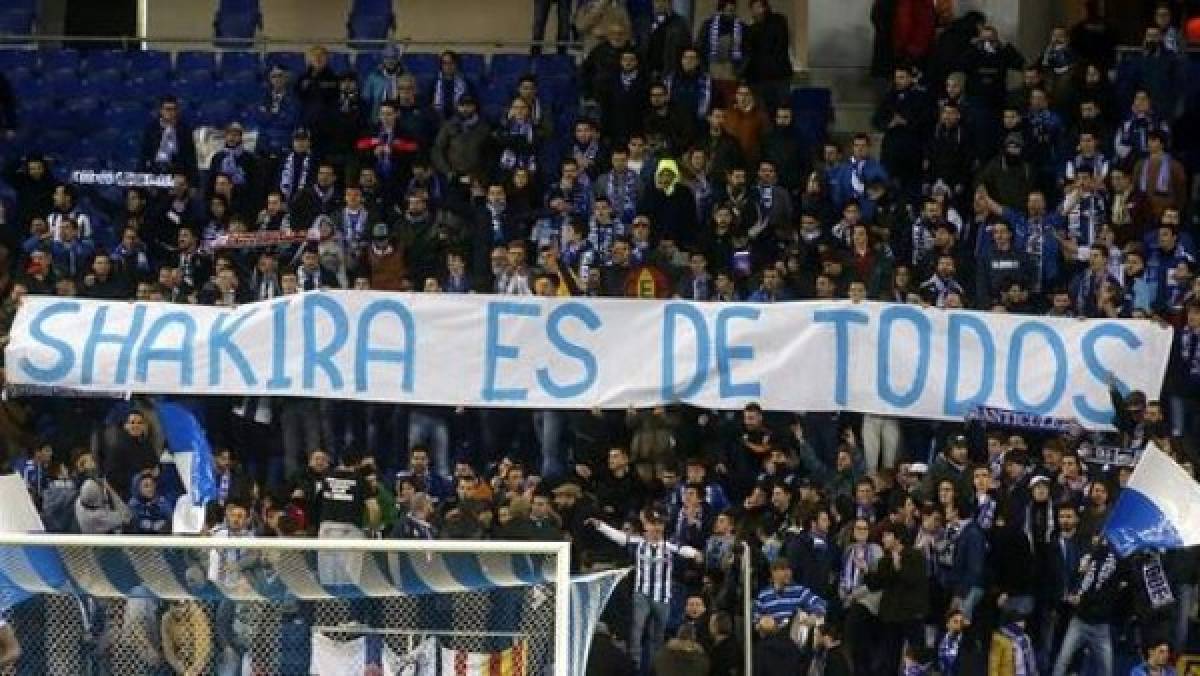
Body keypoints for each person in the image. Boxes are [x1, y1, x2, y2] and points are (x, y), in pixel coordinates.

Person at [586, 507, 704, 671]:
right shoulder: (638, 542)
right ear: (646, 526)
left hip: (662, 597)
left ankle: (655, 669)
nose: (656, 528)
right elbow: (619, 536)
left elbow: (684, 549)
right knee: (636, 633)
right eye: (653, 524)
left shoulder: (669, 545)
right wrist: (600, 525)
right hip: (641, 594)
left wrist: (695, 553)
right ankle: (634, 667)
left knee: (658, 637)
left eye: (659, 524)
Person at [160, 601, 213, 676]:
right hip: (179, 658)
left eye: (182, 606)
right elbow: (168, 648)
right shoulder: (166, 619)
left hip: (198, 660)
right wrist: (178, 666)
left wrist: (192, 670)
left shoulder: (197, 616)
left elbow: (202, 650)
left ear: (187, 604)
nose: (179, 609)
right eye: (175, 605)